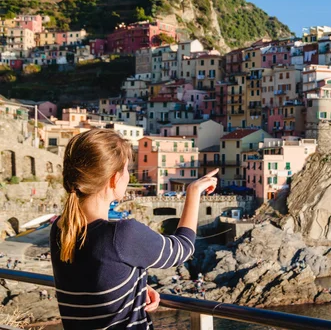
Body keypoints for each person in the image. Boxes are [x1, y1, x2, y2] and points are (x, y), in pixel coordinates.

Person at [50, 129, 219, 330]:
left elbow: (92, 281)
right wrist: (193, 192)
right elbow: (183, 249)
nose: (129, 175)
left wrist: (134, 288)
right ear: (114, 179)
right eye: (127, 169)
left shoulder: (60, 229)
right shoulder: (121, 235)